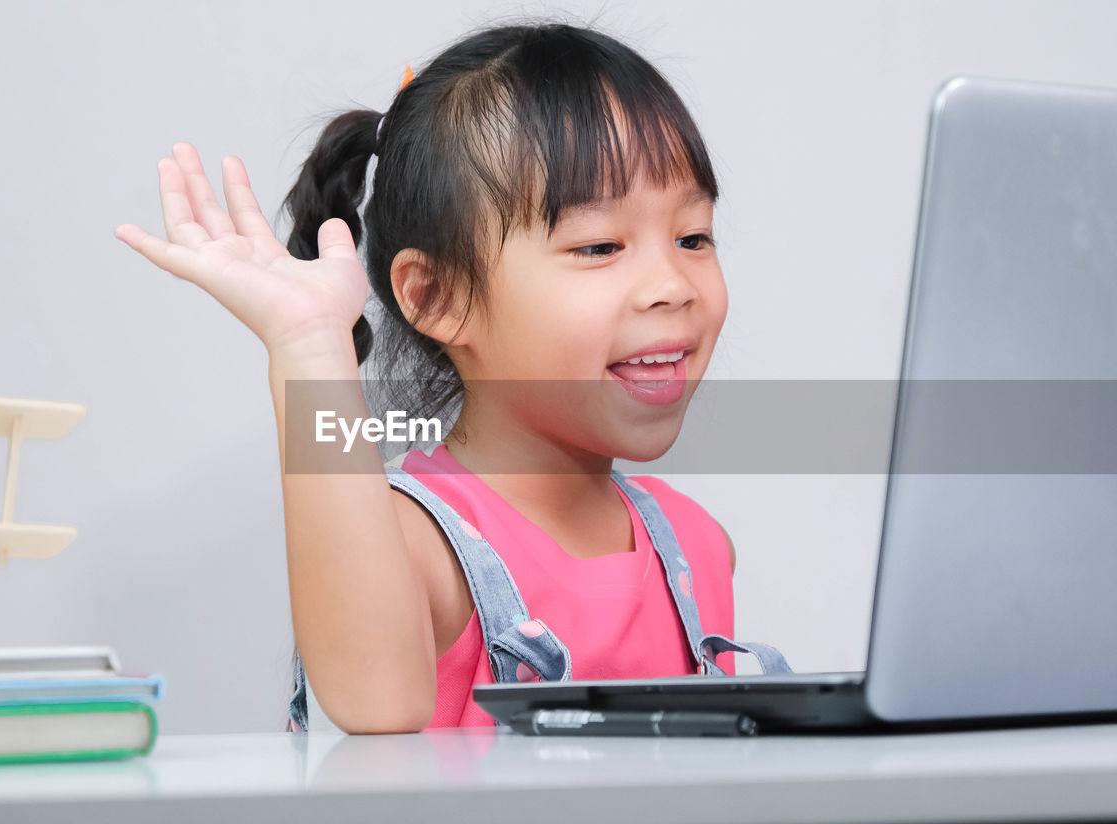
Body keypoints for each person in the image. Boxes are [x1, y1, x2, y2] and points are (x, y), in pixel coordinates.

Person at [115, 19, 790, 735]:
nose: (671, 284)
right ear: (438, 297)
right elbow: (377, 700)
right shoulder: (418, 543)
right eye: (599, 245)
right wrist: (310, 350)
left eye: (693, 237)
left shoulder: (696, 546)